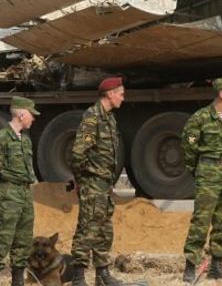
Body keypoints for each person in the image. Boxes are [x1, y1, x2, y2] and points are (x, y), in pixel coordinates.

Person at [181, 77, 222, 283]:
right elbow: (188, 148)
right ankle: (190, 265)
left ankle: (216, 264)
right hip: (208, 169)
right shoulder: (200, 118)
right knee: (202, 218)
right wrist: (198, 169)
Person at [70, 77, 124, 286]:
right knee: (87, 229)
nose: (122, 97)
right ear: (110, 94)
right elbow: (78, 152)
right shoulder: (92, 117)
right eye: (120, 93)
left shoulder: (109, 118)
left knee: (103, 228)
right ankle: (78, 277)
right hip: (92, 182)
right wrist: (82, 179)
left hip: (104, 183)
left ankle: (102, 275)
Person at [0, 96, 40, 286]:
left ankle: (18, 280)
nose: (34, 119)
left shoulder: (25, 140)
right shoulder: (1, 139)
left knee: (23, 239)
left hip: (24, 193)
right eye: (32, 115)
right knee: (4, 237)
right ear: (22, 114)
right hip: (8, 192)